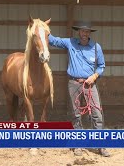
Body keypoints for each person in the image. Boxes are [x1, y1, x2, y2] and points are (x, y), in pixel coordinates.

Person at [48, 21, 110, 157]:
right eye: (82, 31)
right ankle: (78, 144)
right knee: (75, 114)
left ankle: (100, 145)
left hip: (90, 84)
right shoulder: (70, 42)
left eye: (87, 31)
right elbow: (53, 41)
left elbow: (102, 66)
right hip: (74, 83)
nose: (84, 34)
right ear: (79, 32)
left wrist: (94, 76)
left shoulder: (95, 47)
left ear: (89, 33)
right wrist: (42, 28)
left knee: (97, 114)